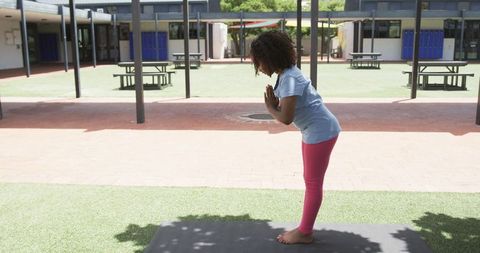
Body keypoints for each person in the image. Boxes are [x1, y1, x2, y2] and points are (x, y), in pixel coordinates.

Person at [250, 31, 341, 244]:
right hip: (314, 130)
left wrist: (270, 108)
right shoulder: (286, 74)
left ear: (270, 58)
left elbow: (286, 118)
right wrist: (276, 106)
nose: (258, 67)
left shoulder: (290, 79)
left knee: (313, 182)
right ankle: (304, 228)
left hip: (321, 131)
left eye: (259, 62)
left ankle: (305, 232)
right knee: (310, 180)